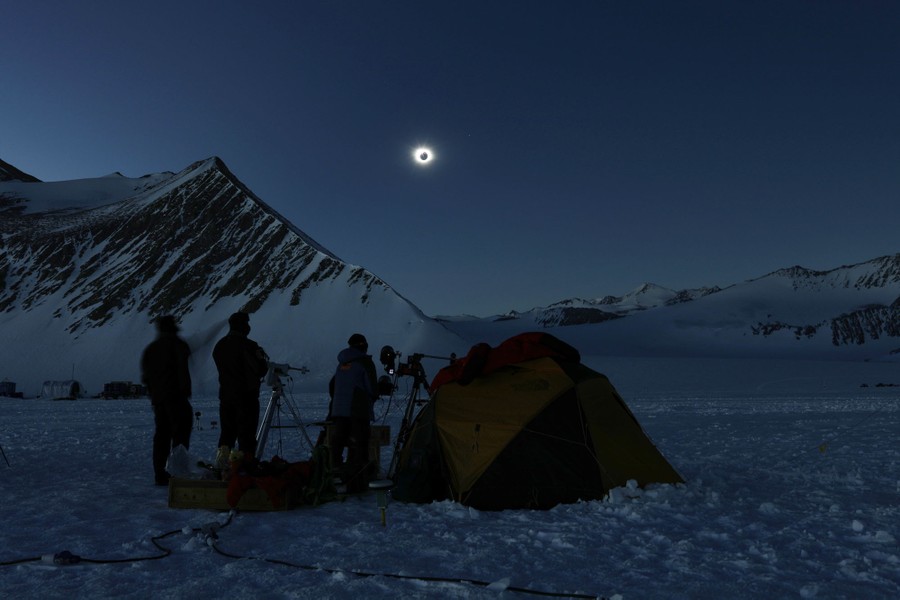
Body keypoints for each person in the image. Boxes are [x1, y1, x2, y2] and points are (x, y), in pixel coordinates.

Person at [140, 315, 193, 486]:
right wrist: (185, 391)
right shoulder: (178, 345)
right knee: (180, 435)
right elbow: (182, 371)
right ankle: (178, 472)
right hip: (176, 398)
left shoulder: (150, 349)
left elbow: (146, 377)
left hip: (158, 400)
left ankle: (160, 474)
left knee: (161, 436)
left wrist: (154, 396)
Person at [212, 311, 269, 465]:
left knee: (227, 435)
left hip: (226, 397)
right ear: (243, 326)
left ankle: (223, 467)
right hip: (246, 398)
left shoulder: (220, 346)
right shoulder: (248, 346)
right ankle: (244, 470)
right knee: (246, 437)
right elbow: (260, 369)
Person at [328, 333, 378, 492]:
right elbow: (371, 386)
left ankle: (334, 469)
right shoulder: (364, 362)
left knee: (339, 439)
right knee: (359, 442)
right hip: (357, 409)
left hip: (338, 409)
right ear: (363, 346)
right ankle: (356, 477)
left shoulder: (342, 363)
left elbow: (332, 385)